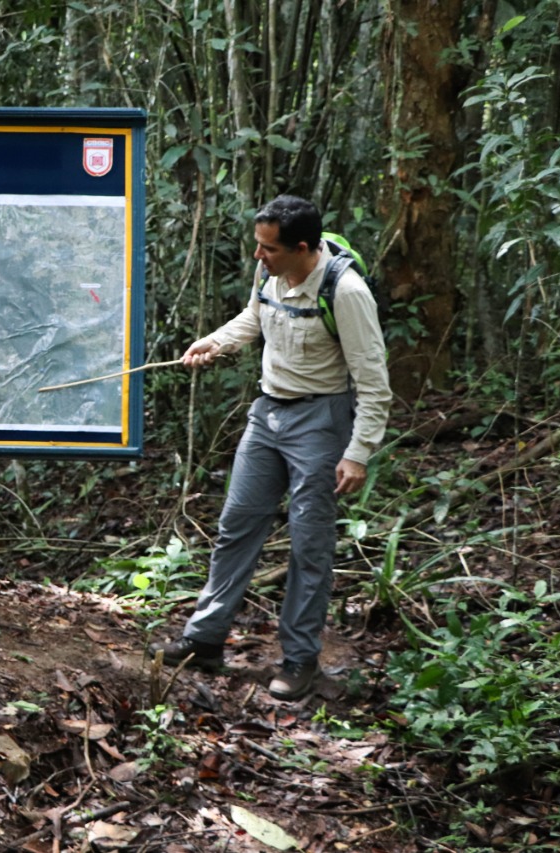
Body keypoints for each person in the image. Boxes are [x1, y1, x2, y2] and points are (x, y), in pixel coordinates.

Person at [152, 195, 391, 701]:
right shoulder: (271, 274)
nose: (258, 257)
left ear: (301, 248)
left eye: (268, 249)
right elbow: (253, 318)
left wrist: (358, 452)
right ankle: (205, 641)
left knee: (309, 544)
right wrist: (213, 342)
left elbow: (373, 382)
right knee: (236, 526)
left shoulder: (344, 291)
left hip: (321, 422)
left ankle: (300, 659)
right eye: (258, 246)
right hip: (267, 415)